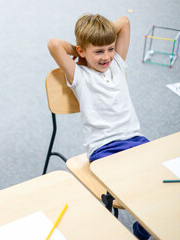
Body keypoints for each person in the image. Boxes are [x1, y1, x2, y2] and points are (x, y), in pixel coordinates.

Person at [47, 14, 150, 240]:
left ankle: (144, 231)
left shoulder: (118, 65)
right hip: (104, 148)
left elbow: (124, 22)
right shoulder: (79, 76)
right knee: (132, 188)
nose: (107, 57)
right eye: (99, 51)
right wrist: (81, 50)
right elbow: (54, 44)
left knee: (158, 181)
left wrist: (98, 40)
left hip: (136, 140)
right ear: (82, 51)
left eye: (110, 49)